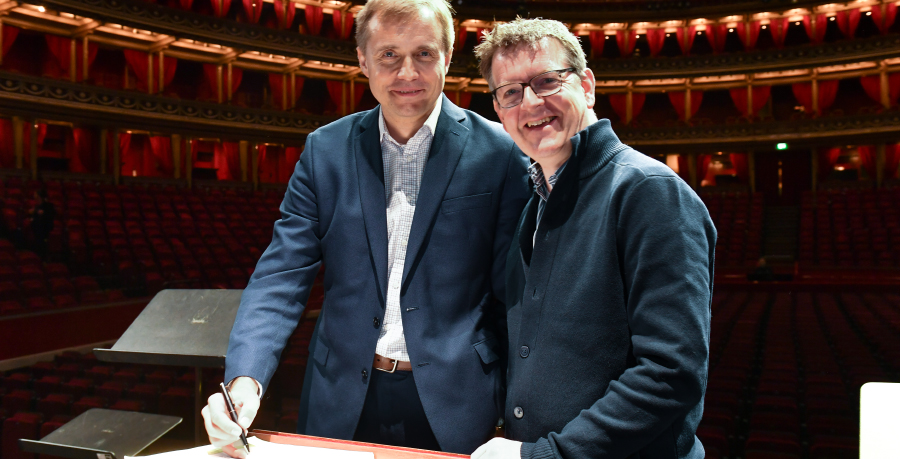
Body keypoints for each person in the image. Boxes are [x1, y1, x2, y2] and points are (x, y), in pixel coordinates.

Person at [201, 0, 530, 456]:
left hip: (457, 400)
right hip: (340, 398)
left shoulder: (500, 153)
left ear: (448, 58)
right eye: (389, 55)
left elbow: (512, 297)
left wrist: (516, 416)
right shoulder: (324, 150)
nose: (407, 73)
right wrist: (245, 379)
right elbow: (281, 275)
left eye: (424, 54)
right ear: (362, 60)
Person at [470, 18, 716, 459]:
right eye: (510, 92)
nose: (529, 103)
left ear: (586, 85)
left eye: (546, 81)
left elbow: (670, 374)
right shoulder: (537, 202)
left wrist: (547, 455)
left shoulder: (648, 190)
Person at [27, 188, 55, 258]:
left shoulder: (48, 206)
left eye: (35, 194)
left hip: (44, 228)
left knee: (41, 243)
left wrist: (43, 213)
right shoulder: (37, 206)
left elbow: (51, 215)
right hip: (36, 228)